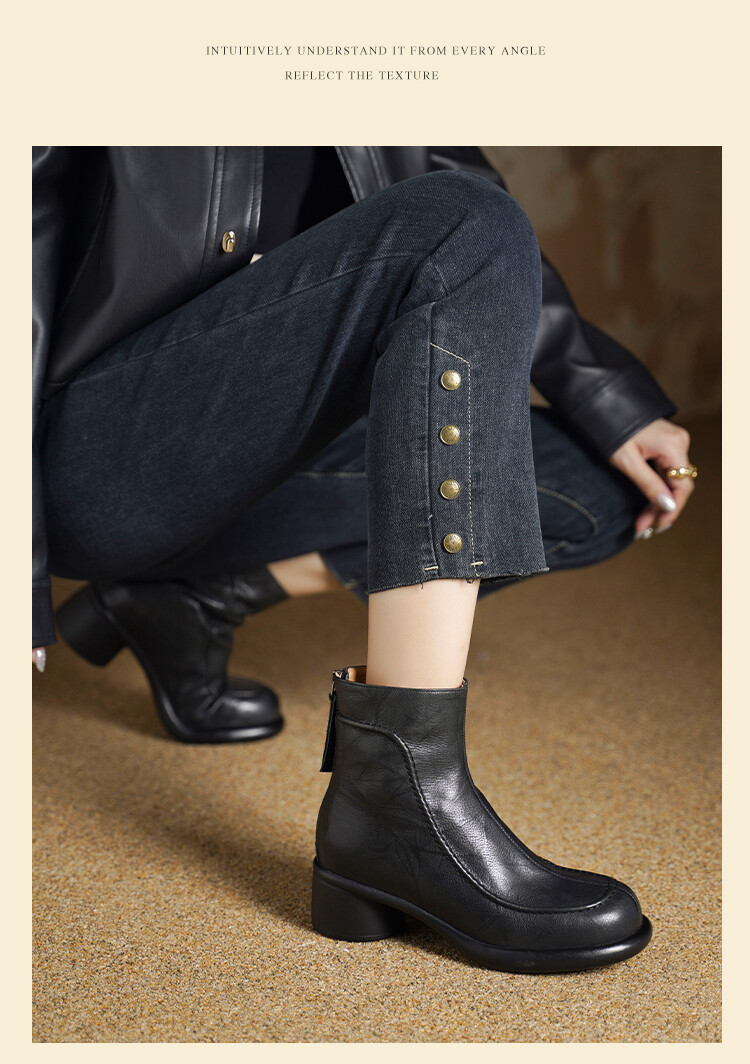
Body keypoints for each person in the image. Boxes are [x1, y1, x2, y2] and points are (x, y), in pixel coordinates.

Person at [32, 146, 696, 973]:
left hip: (275, 421)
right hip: (101, 451)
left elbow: (475, 220)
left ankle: (193, 598)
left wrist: (609, 402)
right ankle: (400, 799)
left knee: (597, 489)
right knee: (462, 222)